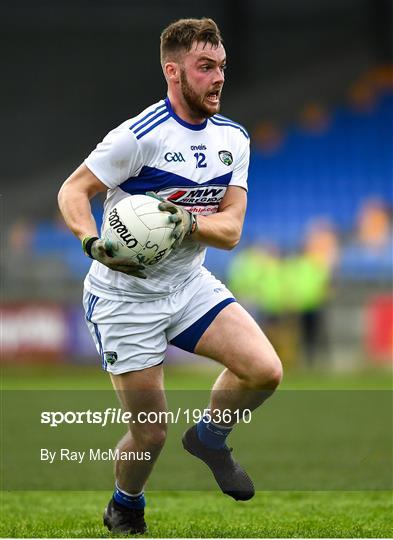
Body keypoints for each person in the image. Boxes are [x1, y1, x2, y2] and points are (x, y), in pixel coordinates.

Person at [58, 17, 282, 535]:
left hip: (187, 286)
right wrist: (91, 243)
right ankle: (126, 504)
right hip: (124, 297)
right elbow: (73, 192)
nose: (218, 77)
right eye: (206, 67)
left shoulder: (234, 140)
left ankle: (209, 438)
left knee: (264, 371)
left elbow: (229, 231)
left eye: (222, 66)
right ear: (174, 72)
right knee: (150, 434)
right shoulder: (137, 137)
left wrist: (183, 222)